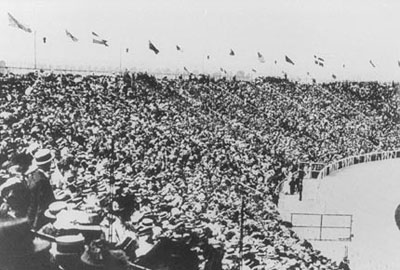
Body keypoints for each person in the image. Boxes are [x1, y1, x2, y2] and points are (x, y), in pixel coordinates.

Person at [26, 149, 56, 230]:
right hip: (42, 219)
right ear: (47, 163)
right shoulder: (43, 181)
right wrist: (36, 225)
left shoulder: (33, 175)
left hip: (31, 215)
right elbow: (42, 204)